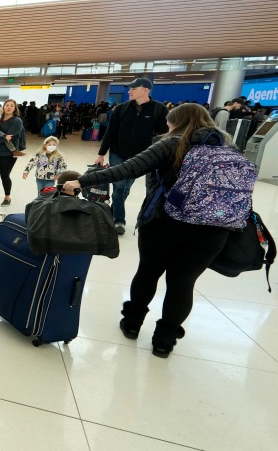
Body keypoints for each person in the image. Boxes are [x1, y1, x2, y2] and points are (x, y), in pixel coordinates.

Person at [62, 104, 233, 358]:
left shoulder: (172, 144)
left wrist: (81, 180)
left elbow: (127, 169)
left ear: (176, 122)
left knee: (148, 272)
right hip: (212, 230)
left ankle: (132, 324)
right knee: (183, 283)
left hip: (163, 222)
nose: (167, 126)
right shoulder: (227, 149)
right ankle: (164, 340)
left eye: (169, 123)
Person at [95, 77, 169, 234]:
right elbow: (110, 132)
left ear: (145, 90)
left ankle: (111, 214)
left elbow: (164, 135)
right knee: (119, 186)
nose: (129, 91)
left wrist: (161, 155)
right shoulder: (121, 109)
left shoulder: (159, 110)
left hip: (141, 158)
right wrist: (101, 154)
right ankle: (119, 221)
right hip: (117, 153)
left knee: (126, 188)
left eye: (133, 89)